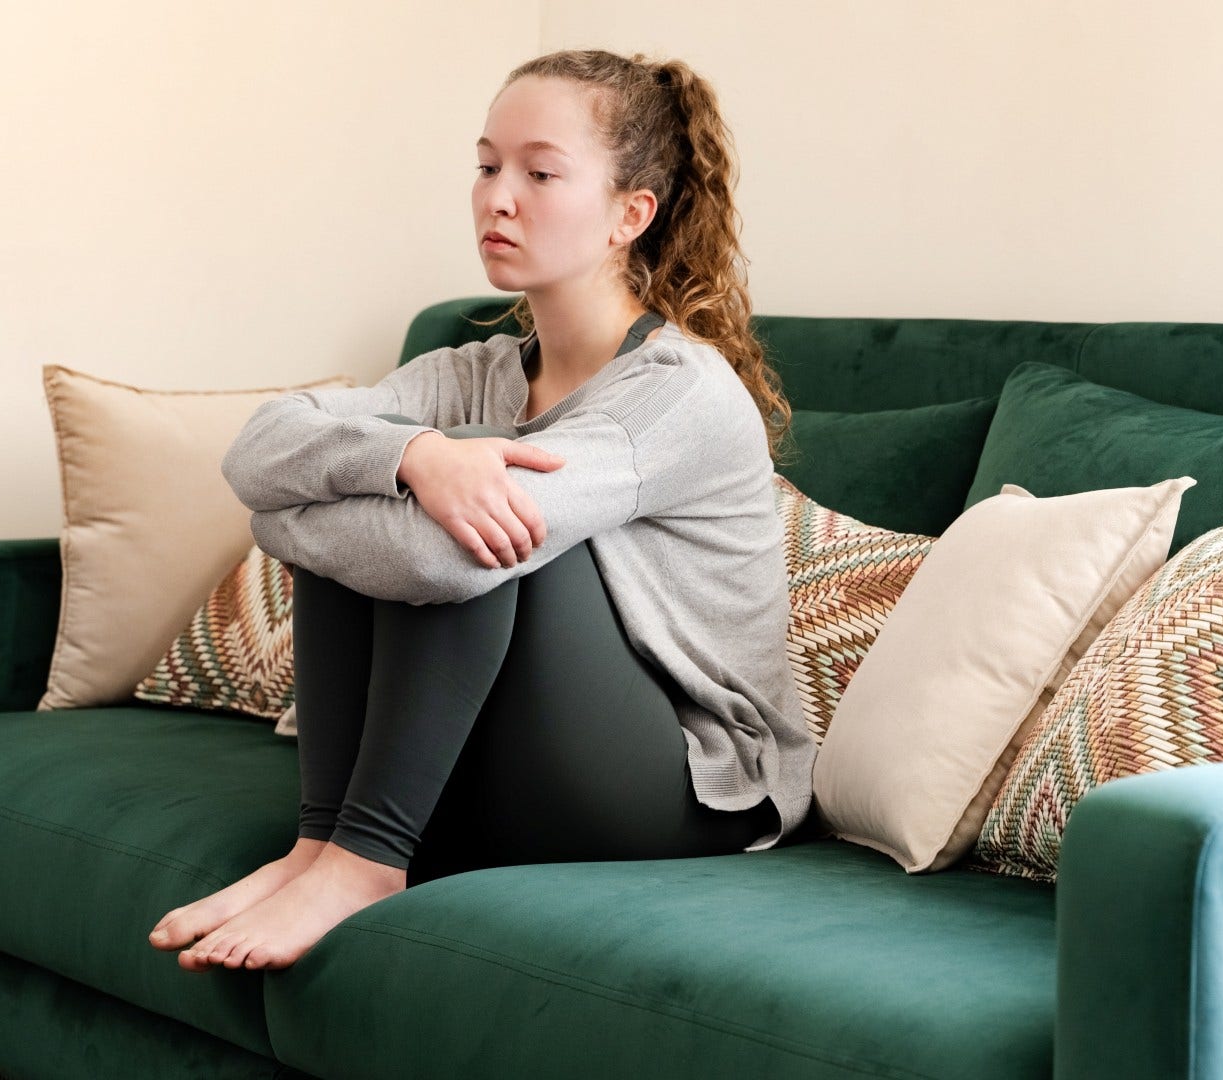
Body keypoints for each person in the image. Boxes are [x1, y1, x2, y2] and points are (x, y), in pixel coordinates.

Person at [146, 47, 816, 974]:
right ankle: (320, 845)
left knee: (480, 509)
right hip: (513, 761)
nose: (498, 198)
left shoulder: (679, 392)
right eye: (487, 165)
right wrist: (411, 457)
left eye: (539, 174)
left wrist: (300, 515)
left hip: (690, 792)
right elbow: (259, 448)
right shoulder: (473, 371)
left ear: (631, 214)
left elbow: (446, 559)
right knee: (422, 466)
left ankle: (366, 861)